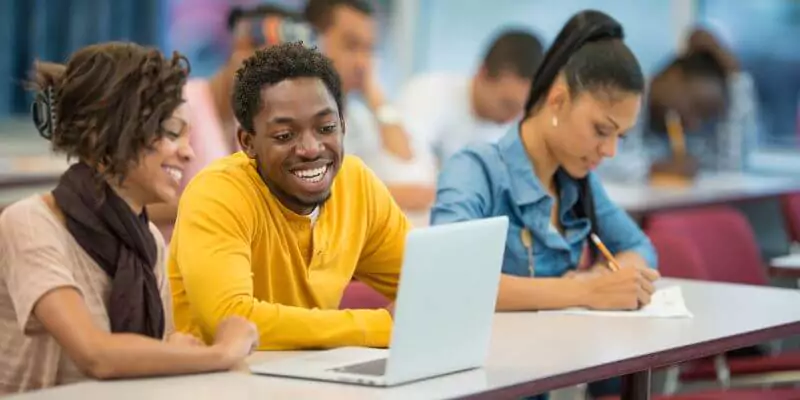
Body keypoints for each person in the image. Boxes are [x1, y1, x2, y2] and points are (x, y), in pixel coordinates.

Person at [0, 43, 258, 394]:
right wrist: (221, 352)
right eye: (171, 131)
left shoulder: (148, 238)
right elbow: (96, 355)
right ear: (108, 135)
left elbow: (157, 356)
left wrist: (175, 351)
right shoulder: (31, 223)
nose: (189, 151)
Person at [430, 11, 661, 397]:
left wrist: (615, 279)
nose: (609, 150)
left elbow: (640, 247)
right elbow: (453, 282)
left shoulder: (577, 181)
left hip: (551, 378)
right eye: (601, 130)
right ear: (557, 100)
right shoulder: (476, 169)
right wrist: (586, 292)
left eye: (620, 135)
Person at [168, 42, 410, 351]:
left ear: (343, 126)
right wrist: (377, 326)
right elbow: (230, 319)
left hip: (319, 379)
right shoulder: (216, 194)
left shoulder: (355, 182)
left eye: (326, 128)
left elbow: (432, 281)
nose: (311, 148)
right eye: (284, 135)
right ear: (247, 142)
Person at [151, 4, 314, 242]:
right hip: (168, 266)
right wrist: (219, 205)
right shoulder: (181, 105)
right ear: (241, 50)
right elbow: (134, 204)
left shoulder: (254, 125)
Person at [304, 0, 434, 214]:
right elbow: (315, 194)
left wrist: (375, 97)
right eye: (351, 46)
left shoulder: (357, 117)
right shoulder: (290, 115)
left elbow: (411, 169)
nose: (363, 63)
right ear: (311, 43)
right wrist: (394, 195)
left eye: (369, 49)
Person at [598, 26, 758, 182]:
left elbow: (731, 168)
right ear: (674, 77)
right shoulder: (621, 96)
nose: (695, 124)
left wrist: (736, 79)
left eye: (706, 116)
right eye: (697, 106)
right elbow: (597, 160)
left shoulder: (685, 132)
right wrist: (652, 169)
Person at [398, 29, 544, 164]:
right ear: (482, 74)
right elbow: (405, 164)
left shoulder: (520, 131)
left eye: (522, 109)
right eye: (507, 104)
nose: (512, 118)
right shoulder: (428, 93)